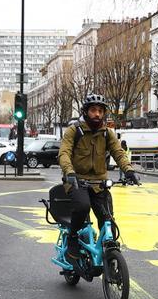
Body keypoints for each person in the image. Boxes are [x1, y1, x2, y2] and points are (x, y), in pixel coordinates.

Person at [58, 94, 139, 263]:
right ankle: (73, 237)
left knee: (108, 219)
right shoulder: (74, 130)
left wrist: (129, 170)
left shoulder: (107, 133)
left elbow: (119, 153)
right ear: (86, 112)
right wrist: (69, 172)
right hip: (76, 180)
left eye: (100, 111)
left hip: (99, 183)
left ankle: (109, 251)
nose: (97, 114)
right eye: (93, 110)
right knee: (82, 206)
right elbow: (64, 153)